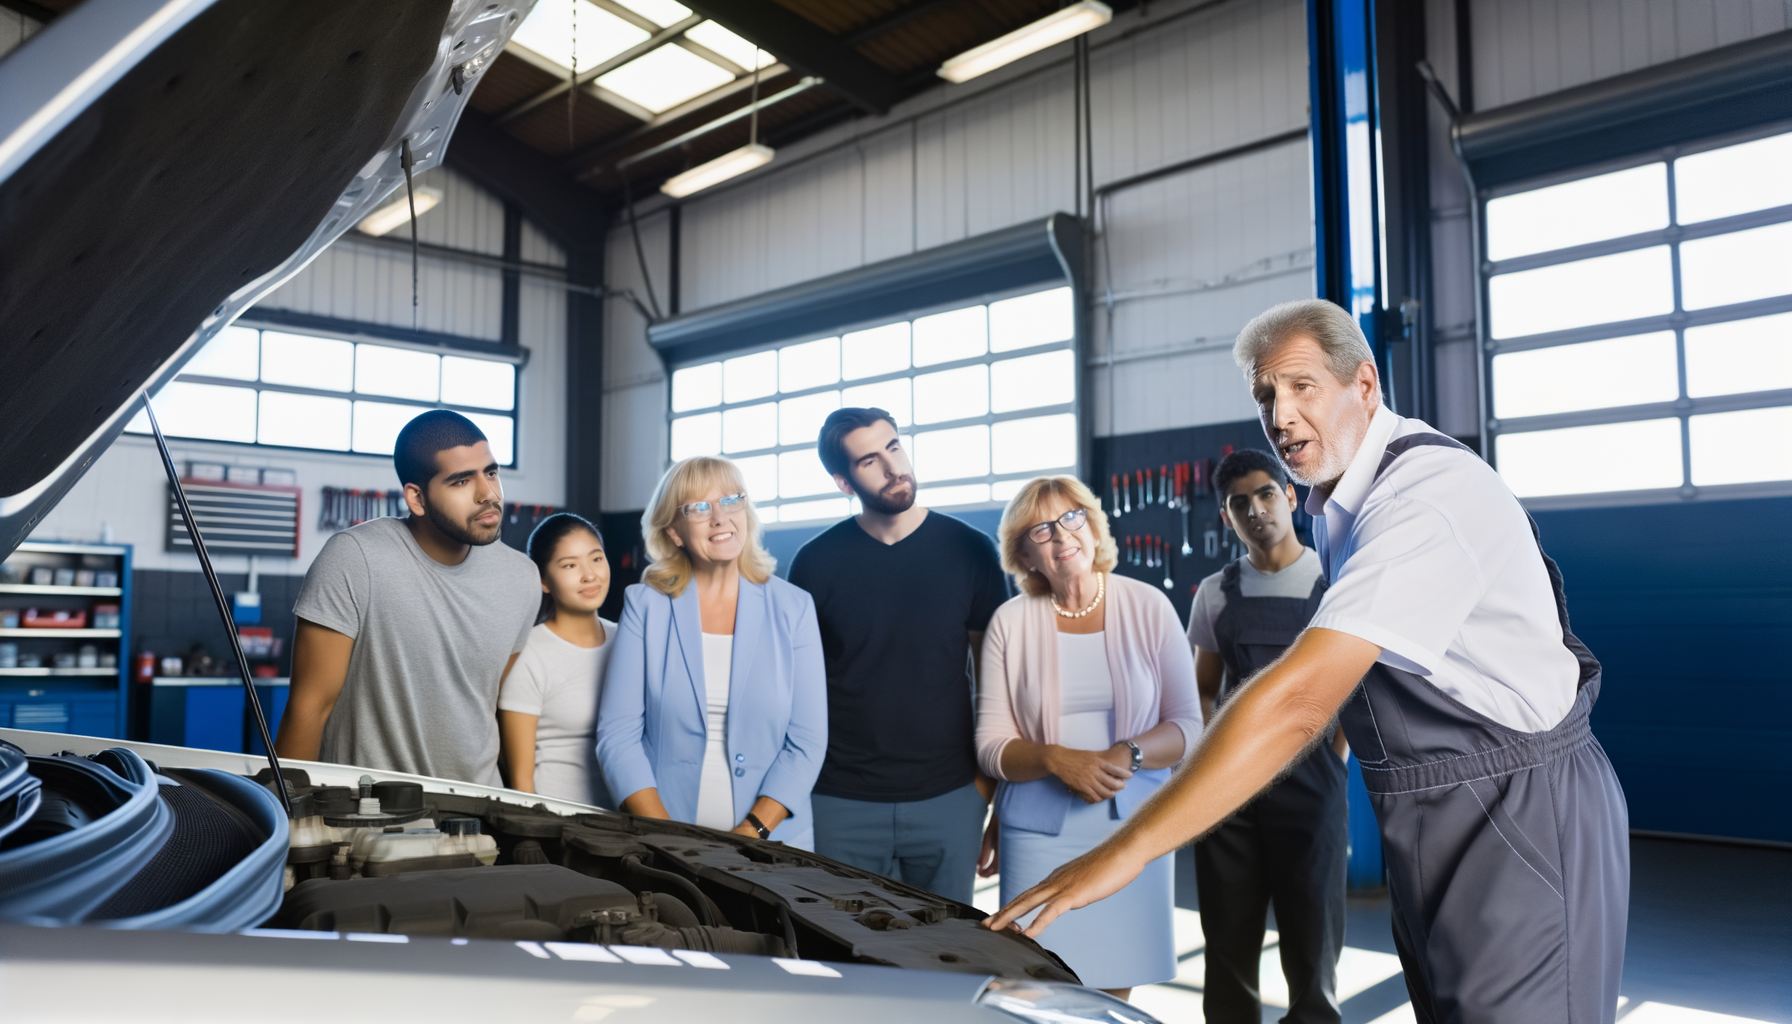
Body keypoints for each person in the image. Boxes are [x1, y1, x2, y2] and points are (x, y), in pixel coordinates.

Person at [987, 299, 1629, 1024]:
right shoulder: (1339, 510)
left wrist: (1126, 850)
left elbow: (1298, 702)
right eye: (1266, 395)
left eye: (1301, 386)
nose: (1280, 414)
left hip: (1518, 810)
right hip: (1427, 810)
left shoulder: (1424, 498)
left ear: (1364, 385)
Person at [975, 475, 1201, 999]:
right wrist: (1056, 759)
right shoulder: (1009, 622)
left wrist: (1131, 752)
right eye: (1040, 531)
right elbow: (990, 744)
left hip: (1134, 829)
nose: (1060, 535)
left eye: (1071, 517)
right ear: (1025, 556)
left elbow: (1188, 726)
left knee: (1114, 984)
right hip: (1037, 832)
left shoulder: (1149, 606)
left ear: (1094, 528)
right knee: (1037, 981)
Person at [788, 408, 1010, 904]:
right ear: (845, 483)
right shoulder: (814, 563)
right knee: (841, 959)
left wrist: (987, 792)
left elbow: (997, 684)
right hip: (838, 800)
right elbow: (795, 691)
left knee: (945, 959)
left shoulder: (971, 551)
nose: (893, 468)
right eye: (870, 460)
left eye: (894, 448)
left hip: (951, 797)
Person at [278, 410, 539, 786]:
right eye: (462, 480)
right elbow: (308, 709)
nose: (489, 494)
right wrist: (290, 823)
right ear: (416, 498)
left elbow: (487, 696)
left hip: (478, 813)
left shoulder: (523, 578)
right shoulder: (354, 558)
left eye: (491, 472)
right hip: (367, 817)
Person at [1187, 448, 1347, 1024]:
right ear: (1226, 517)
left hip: (1312, 785)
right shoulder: (1214, 593)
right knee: (1228, 938)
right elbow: (1203, 687)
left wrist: (1334, 756)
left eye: (1265, 495)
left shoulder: (1336, 584)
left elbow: (1356, 687)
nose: (1255, 510)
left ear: (1289, 497)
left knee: (1313, 939)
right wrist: (1213, 758)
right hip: (1229, 790)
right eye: (1239, 504)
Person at [596, 456, 827, 847]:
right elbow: (617, 737)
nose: (720, 517)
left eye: (731, 500)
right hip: (665, 846)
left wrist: (750, 834)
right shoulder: (645, 605)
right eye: (699, 508)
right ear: (674, 531)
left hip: (774, 843)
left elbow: (807, 742)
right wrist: (670, 841)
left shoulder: (794, 608)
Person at [497, 513, 617, 807]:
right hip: (559, 824)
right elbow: (521, 784)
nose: (590, 575)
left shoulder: (628, 640)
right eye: (570, 565)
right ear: (544, 581)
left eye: (596, 559)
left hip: (628, 821)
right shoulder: (529, 654)